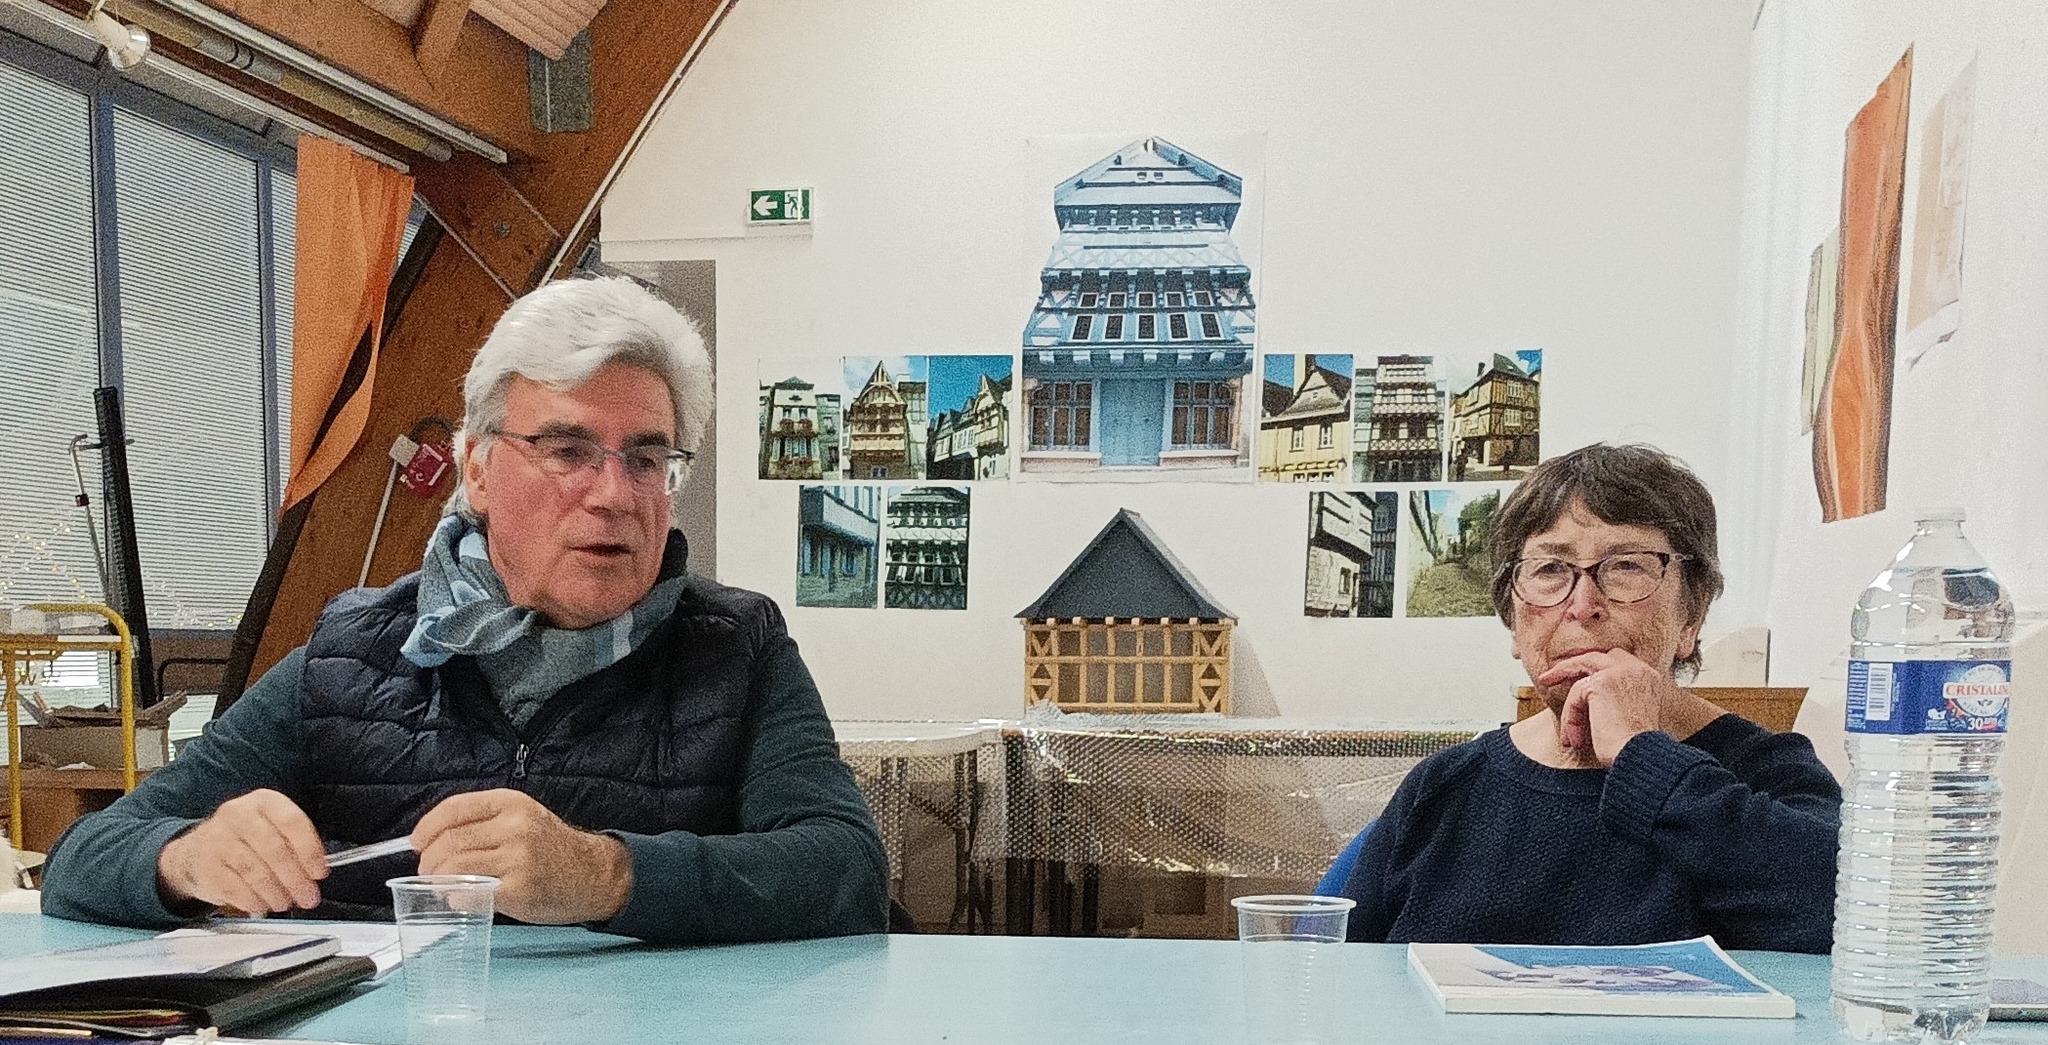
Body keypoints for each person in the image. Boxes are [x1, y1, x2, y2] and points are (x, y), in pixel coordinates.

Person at [41, 277, 890, 943]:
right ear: (478, 469)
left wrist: (605, 875)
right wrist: (186, 858)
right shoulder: (351, 654)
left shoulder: (735, 647)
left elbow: (848, 870)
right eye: (567, 449)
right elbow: (81, 858)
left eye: (646, 458)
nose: (613, 494)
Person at [1338, 443, 1840, 953]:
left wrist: (1642, 756)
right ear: (1513, 622)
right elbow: (1342, 971)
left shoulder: (1768, 771)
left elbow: (1845, 914)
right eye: (1549, 569)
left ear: (1692, 616)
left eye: (1626, 566)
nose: (1582, 606)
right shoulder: (1443, 787)